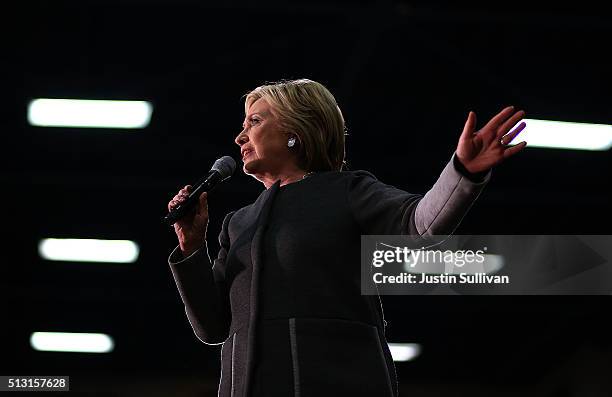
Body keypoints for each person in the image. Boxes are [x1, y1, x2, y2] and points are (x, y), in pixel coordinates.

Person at [166, 79, 526, 397]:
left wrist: (461, 173)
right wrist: (192, 246)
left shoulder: (347, 192)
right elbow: (211, 328)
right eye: (242, 125)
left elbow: (419, 226)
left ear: (297, 131)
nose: (240, 136)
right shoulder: (237, 224)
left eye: (255, 122)